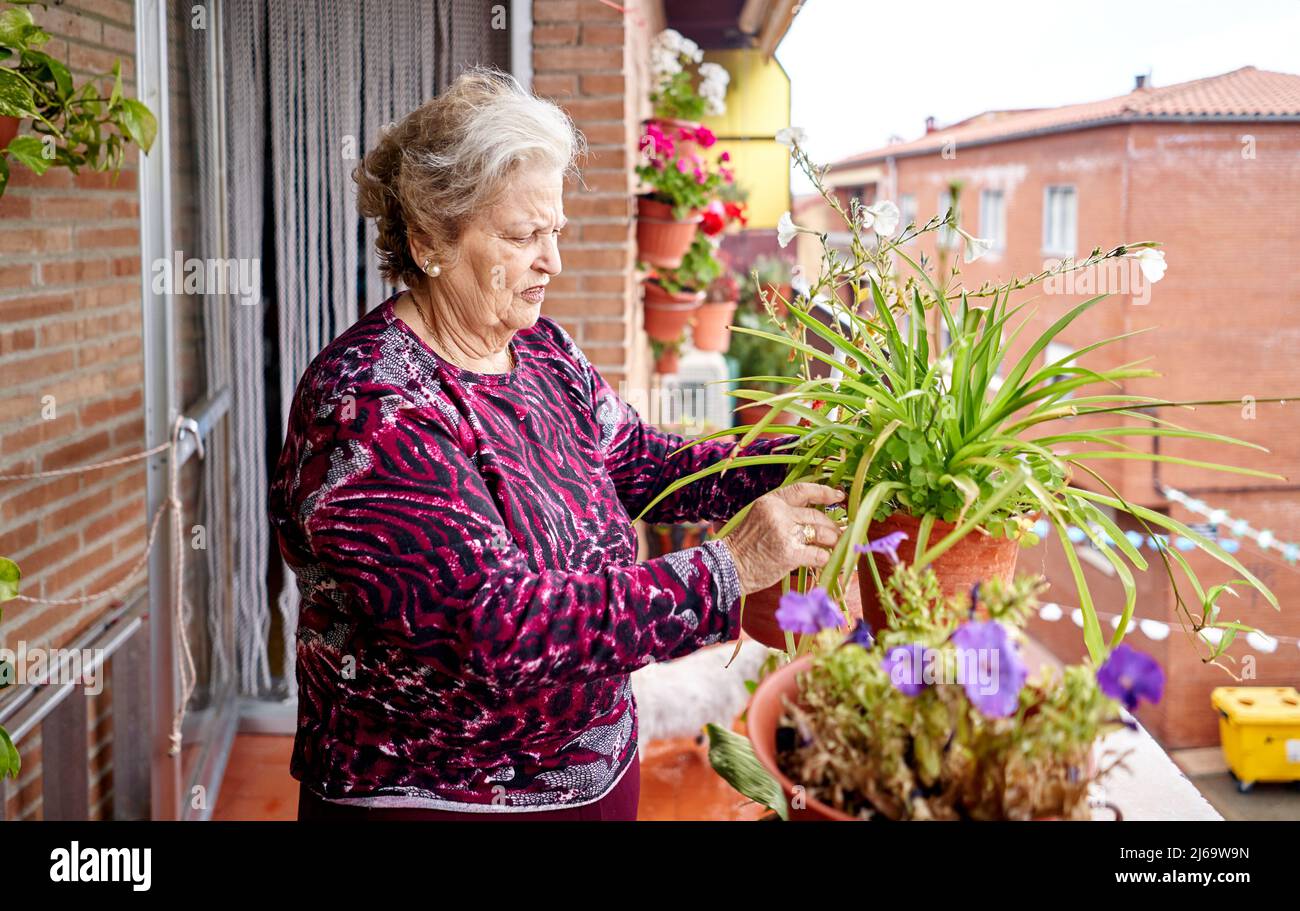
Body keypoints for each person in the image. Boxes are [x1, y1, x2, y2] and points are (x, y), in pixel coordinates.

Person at [269, 67, 843, 821]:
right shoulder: (369, 407)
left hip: (595, 779)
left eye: (556, 232)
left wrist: (800, 458)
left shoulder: (540, 351)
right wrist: (726, 570)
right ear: (428, 238)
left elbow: (642, 462)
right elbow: (502, 628)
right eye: (522, 236)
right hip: (442, 802)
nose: (554, 262)